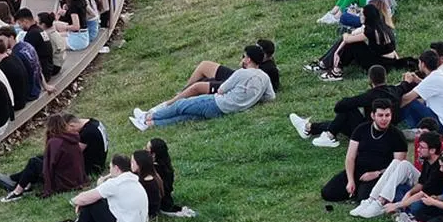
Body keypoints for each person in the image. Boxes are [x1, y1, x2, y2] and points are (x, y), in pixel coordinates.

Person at [132, 45, 275, 130]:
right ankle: (151, 124)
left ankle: (148, 116)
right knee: (186, 117)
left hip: (216, 103)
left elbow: (222, 89)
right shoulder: (265, 77)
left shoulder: (241, 73)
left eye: (244, 56)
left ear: (248, 59)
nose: (243, 59)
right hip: (225, 112)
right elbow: (270, 97)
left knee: (181, 106)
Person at [290, 64, 403, 148]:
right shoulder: (394, 90)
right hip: (385, 128)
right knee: (342, 121)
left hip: (370, 133)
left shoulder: (370, 96)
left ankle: (329, 135)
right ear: (385, 77)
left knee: (347, 110)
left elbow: (340, 106)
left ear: (370, 79)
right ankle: (309, 128)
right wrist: (407, 81)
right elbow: (405, 86)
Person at [319, 98, 407, 202]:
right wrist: (350, 180)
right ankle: (355, 190)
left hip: (379, 174)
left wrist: (377, 173)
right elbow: (350, 157)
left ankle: (360, 193)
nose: (384, 119)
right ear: (373, 115)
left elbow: (397, 167)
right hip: (358, 170)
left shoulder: (397, 136)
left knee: (363, 199)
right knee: (327, 193)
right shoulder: (361, 129)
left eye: (387, 115)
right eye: (380, 115)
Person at [0, 114, 85, 202]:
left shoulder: (55, 142)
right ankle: (15, 179)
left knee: (34, 162)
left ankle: (17, 191)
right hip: (76, 178)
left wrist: (48, 186)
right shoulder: (72, 137)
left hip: (65, 182)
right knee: (39, 158)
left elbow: (50, 166)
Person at [68, 154, 149, 222]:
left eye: (110, 167)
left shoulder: (115, 183)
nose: (110, 171)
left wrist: (74, 202)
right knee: (96, 199)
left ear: (116, 168)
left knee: (93, 202)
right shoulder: (135, 181)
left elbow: (85, 198)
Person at [399, 47, 443, 134]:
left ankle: (396, 124)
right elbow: (429, 86)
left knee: (411, 103)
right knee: (419, 102)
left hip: (442, 125)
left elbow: (407, 98)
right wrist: (418, 80)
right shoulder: (440, 75)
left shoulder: (433, 78)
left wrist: (404, 83)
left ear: (423, 64)